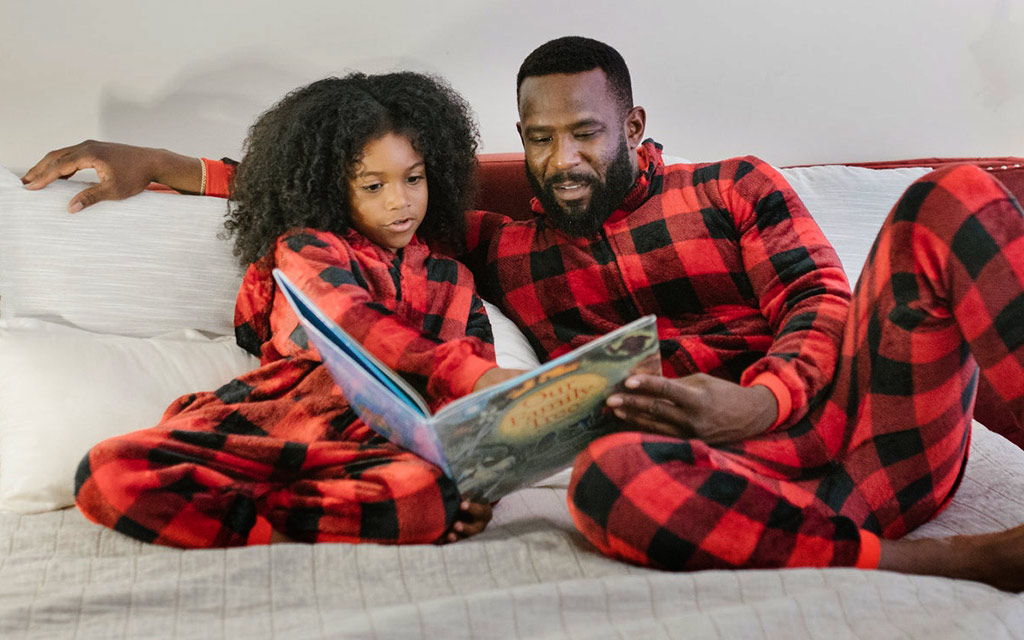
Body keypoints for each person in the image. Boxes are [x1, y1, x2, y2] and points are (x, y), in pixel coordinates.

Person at [23, 37, 1024, 591]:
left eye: (585, 133)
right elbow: (346, 186)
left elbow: (820, 303)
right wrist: (168, 165)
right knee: (604, 481)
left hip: (865, 429)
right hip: (736, 486)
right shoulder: (500, 244)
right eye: (538, 141)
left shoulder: (732, 186)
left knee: (955, 197)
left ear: (632, 124)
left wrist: (759, 401)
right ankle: (942, 562)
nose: (561, 160)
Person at [67, 71, 526, 548]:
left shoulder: (455, 280)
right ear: (332, 187)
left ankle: (262, 520)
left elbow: (473, 413)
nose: (400, 201)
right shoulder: (309, 247)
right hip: (278, 423)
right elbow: (351, 319)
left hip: (386, 445)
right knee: (109, 470)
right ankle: (292, 521)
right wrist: (467, 371)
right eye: (373, 186)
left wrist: (477, 490)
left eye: (414, 178)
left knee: (427, 499)